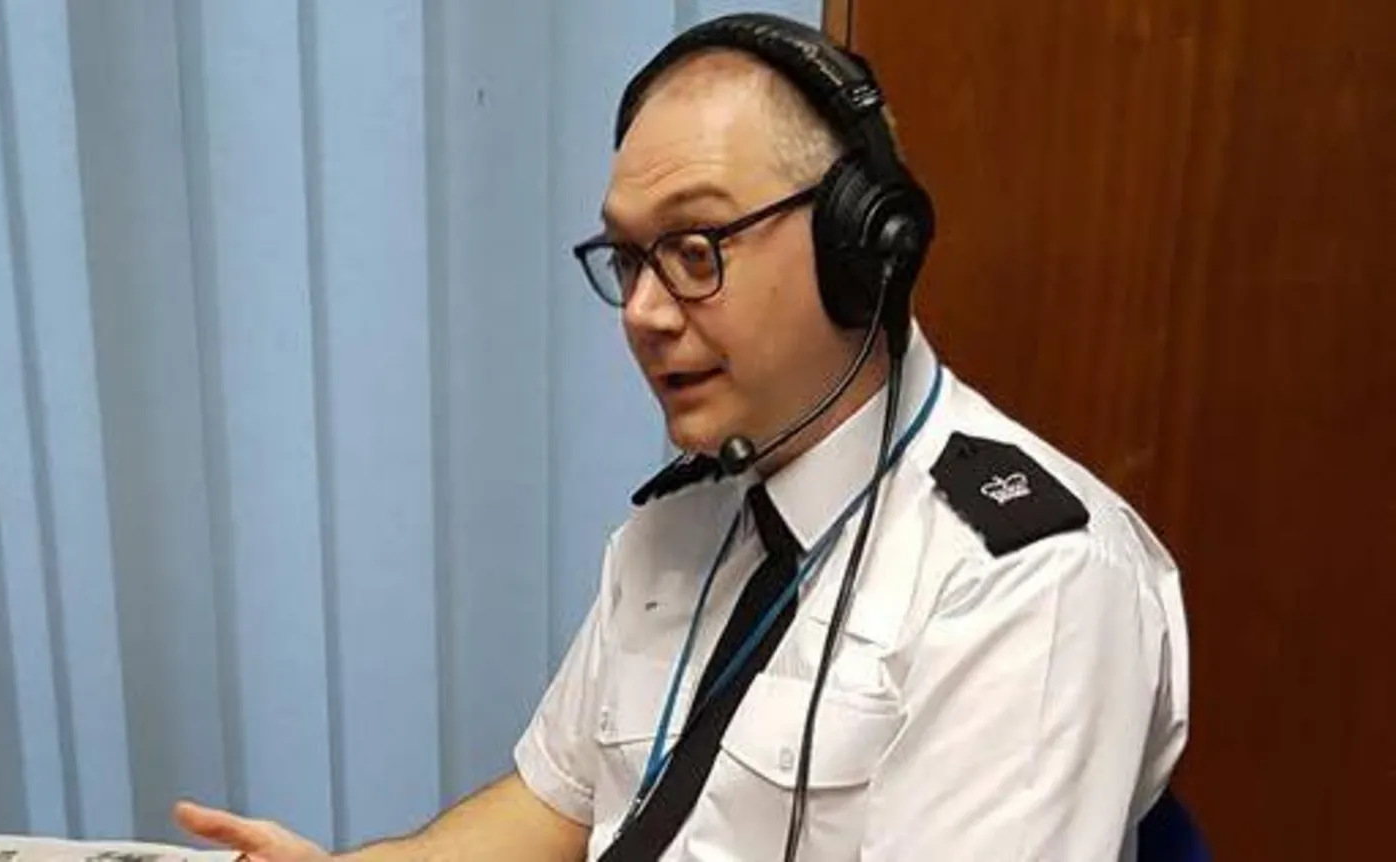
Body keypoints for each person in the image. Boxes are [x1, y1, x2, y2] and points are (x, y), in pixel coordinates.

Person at [173, 13, 1189, 861]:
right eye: (627, 260)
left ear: (860, 243)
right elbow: (553, 805)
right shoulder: (685, 523)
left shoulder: (1033, 585)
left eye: (696, 249)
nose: (646, 313)